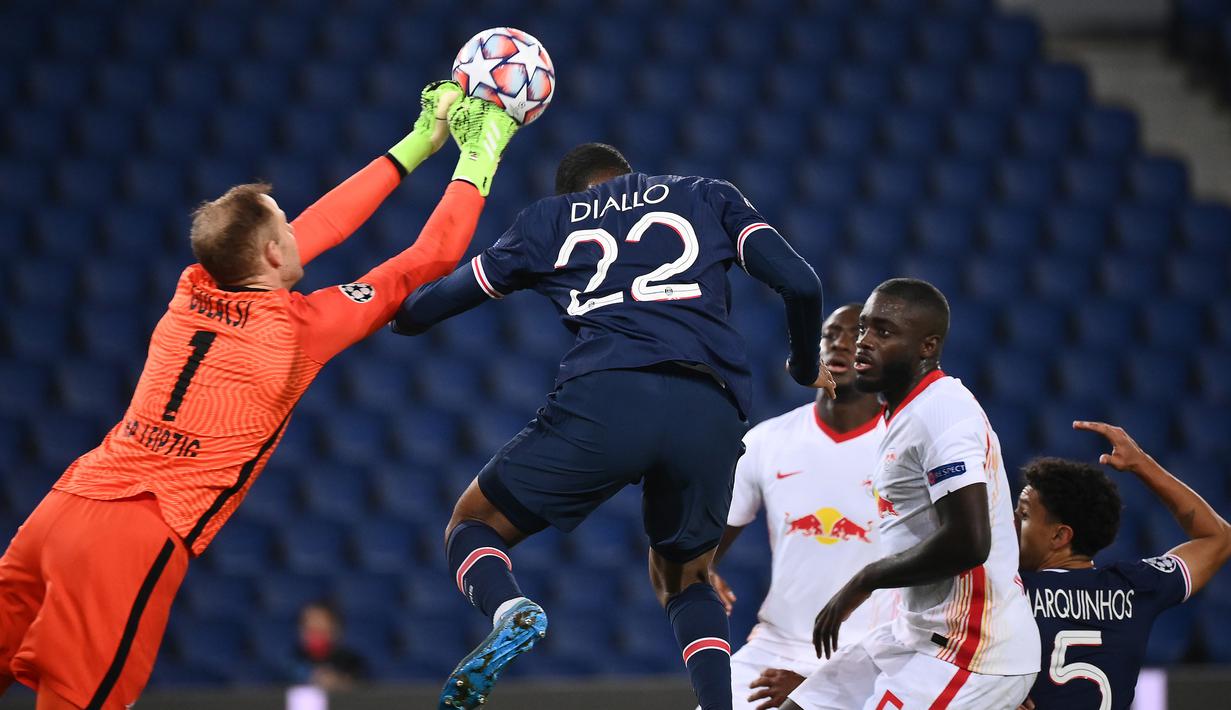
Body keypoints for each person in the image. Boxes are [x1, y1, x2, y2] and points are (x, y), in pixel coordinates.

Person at [0, 82, 520, 710]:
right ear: (273, 253)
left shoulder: (192, 286)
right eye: (284, 226)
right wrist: (481, 151)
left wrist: (419, 142)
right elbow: (431, 255)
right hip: (133, 531)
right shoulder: (298, 333)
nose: (300, 231)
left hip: (63, 506)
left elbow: (318, 226)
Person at [391, 142, 835, 710]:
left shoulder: (546, 221)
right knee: (686, 576)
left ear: (572, 193)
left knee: (473, 522)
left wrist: (386, 305)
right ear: (626, 176)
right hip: (711, 408)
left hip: (608, 395)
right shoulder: (707, 195)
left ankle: (509, 608)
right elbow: (802, 285)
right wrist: (802, 369)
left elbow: (426, 309)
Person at [783, 278, 1040, 710]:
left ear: (927, 346)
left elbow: (970, 541)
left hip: (969, 650)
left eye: (883, 332)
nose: (862, 343)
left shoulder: (942, 412)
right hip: (915, 631)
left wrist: (864, 581)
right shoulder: (902, 411)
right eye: (864, 328)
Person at [707, 303, 890, 710]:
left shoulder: (905, 444)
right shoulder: (767, 441)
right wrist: (705, 570)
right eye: (829, 335)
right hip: (775, 647)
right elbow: (705, 545)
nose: (839, 344)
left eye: (855, 334)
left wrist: (812, 685)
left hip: (875, 656)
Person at [1014, 421, 1231, 710]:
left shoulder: (1009, 590)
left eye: (1024, 515)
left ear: (1060, 535)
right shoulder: (1134, 588)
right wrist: (1141, 464)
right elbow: (1219, 538)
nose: (1011, 523)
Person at [294, 602, 366, 691]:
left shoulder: (350, 661)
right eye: (311, 629)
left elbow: (360, 691)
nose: (316, 636)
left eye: (321, 630)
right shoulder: (292, 658)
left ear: (335, 630)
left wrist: (338, 683)